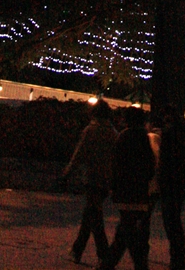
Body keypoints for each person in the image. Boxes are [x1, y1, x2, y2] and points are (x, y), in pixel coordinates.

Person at [62, 99, 118, 266]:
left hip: (92, 177)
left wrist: (68, 172)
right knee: (91, 214)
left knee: (94, 217)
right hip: (106, 179)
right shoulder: (113, 133)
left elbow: (79, 153)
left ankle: (104, 255)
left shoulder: (90, 130)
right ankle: (77, 250)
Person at [101, 105, 156, 270]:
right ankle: (112, 263)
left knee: (127, 230)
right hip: (139, 190)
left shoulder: (124, 136)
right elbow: (150, 165)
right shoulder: (143, 137)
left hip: (125, 190)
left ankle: (112, 263)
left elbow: (115, 163)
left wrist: (113, 185)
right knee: (128, 228)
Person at [158, 104, 185, 270]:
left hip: (170, 180)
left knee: (170, 219)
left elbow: (164, 159)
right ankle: (178, 251)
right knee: (174, 217)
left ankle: (177, 253)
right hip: (184, 180)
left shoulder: (169, 133)